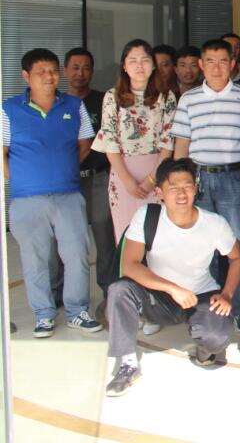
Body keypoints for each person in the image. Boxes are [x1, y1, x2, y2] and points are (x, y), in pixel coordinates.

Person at [103, 158, 240, 396]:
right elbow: (130, 266)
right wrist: (172, 289)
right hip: (159, 296)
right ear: (159, 192)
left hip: (200, 294)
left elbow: (238, 257)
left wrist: (228, 294)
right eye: (173, 187)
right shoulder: (147, 216)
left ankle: (204, 349)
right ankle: (128, 364)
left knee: (215, 339)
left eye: (187, 186)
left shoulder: (214, 223)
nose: (181, 194)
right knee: (119, 290)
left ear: (196, 189)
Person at [3, 48, 100, 338]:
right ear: (26, 76)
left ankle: (77, 312)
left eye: (53, 71)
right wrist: (21, 178)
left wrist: (62, 169)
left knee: (77, 255)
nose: (49, 76)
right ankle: (43, 315)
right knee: (36, 260)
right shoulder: (9, 109)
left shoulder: (74, 105)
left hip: (68, 194)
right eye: (41, 72)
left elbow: (85, 144)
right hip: (26, 199)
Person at [171, 38, 240, 330]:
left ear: (232, 64)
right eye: (210, 61)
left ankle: (239, 307)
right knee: (201, 241)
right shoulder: (189, 99)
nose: (217, 67)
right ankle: (204, 307)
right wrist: (177, 184)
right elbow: (181, 145)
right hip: (199, 178)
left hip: (234, 177)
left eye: (223, 61)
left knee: (237, 241)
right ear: (201, 64)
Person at [92, 39, 176, 239]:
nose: (139, 66)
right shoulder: (112, 97)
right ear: (124, 66)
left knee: (157, 235)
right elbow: (109, 140)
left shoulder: (166, 97)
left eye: (145, 60)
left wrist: (152, 179)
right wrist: (127, 180)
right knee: (126, 234)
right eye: (133, 61)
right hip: (123, 171)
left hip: (157, 169)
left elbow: (168, 140)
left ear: (153, 65)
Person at [64, 47, 115, 296]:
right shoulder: (58, 103)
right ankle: (63, 293)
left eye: (86, 68)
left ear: (92, 71)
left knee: (105, 240)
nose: (80, 73)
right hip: (67, 181)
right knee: (67, 240)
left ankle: (108, 291)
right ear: (65, 71)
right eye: (75, 67)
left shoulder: (105, 101)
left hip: (98, 177)